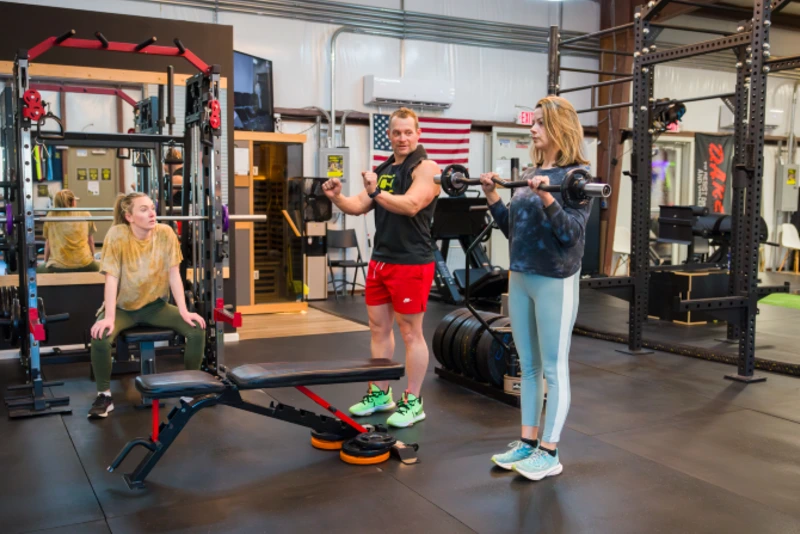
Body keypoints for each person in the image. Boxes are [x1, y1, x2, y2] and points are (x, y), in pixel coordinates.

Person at [484, 96, 591, 481]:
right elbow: (514, 230)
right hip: (521, 274)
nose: (532, 129)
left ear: (559, 128)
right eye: (534, 123)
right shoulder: (532, 171)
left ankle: (550, 450)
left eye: (541, 123)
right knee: (528, 367)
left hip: (554, 280)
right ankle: (528, 443)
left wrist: (548, 195)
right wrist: (493, 196)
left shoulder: (578, 177)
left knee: (553, 367)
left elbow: (571, 233)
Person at [322, 107, 440, 428]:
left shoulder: (427, 168)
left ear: (418, 134)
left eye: (408, 132)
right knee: (378, 329)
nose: (402, 138)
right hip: (380, 261)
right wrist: (337, 197)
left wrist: (376, 191)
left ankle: (413, 401)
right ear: (388, 135)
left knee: (410, 333)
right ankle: (380, 393)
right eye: (396, 133)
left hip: (411, 262)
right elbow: (358, 206)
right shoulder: (385, 168)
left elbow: (411, 204)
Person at [88, 192, 206, 419]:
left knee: (196, 329)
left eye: (152, 208)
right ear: (129, 216)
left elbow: (174, 275)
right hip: (122, 307)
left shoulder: (166, 233)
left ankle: (191, 389)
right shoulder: (117, 235)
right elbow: (111, 278)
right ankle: (104, 396)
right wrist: (109, 316)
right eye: (143, 209)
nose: (152, 213)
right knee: (100, 338)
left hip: (155, 306)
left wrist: (183, 310)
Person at [38, 190, 100, 273]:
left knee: (37, 270)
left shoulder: (51, 215)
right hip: (85, 263)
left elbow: (48, 243)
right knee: (103, 268)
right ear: (73, 202)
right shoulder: (85, 213)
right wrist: (93, 259)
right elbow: (91, 241)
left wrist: (45, 262)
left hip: (58, 266)